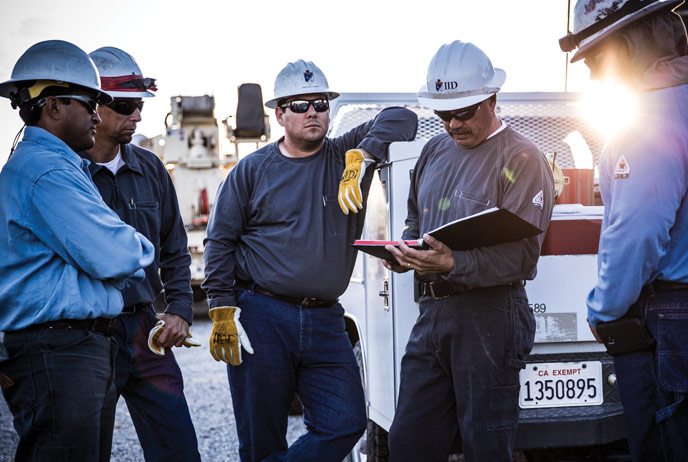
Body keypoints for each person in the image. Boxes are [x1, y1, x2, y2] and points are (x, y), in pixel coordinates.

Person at [202, 59, 417, 462]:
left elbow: (402, 118)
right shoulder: (251, 171)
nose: (312, 112)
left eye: (319, 103)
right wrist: (220, 308)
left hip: (324, 321)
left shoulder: (344, 156)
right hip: (261, 315)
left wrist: (364, 156)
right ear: (279, 114)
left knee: (346, 422)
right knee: (261, 437)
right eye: (299, 106)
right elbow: (220, 240)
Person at [385, 40, 555, 462]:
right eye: (443, 114)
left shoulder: (522, 157)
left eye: (464, 112)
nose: (453, 124)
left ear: (492, 99)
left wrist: (453, 262)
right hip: (433, 314)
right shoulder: (433, 151)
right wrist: (409, 250)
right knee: (408, 444)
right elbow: (414, 218)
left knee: (486, 447)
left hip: (492, 316)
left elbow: (523, 256)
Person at [0, 40, 155, 461]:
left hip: (67, 350)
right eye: (90, 102)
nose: (97, 113)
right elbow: (120, 256)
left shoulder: (59, 166)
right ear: (53, 106)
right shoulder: (46, 171)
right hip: (58, 353)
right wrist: (132, 245)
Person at [560, 1, 688, 460]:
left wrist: (604, 309)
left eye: (596, 61)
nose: (595, 77)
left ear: (630, 45)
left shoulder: (648, 121)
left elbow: (637, 235)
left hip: (670, 316)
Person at [79, 46, 201, 462]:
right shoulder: (65, 174)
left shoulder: (151, 169)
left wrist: (181, 309)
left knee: (178, 448)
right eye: (128, 105)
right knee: (87, 449)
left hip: (145, 332)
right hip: (86, 335)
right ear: (95, 104)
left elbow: (174, 248)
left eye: (140, 105)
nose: (138, 116)